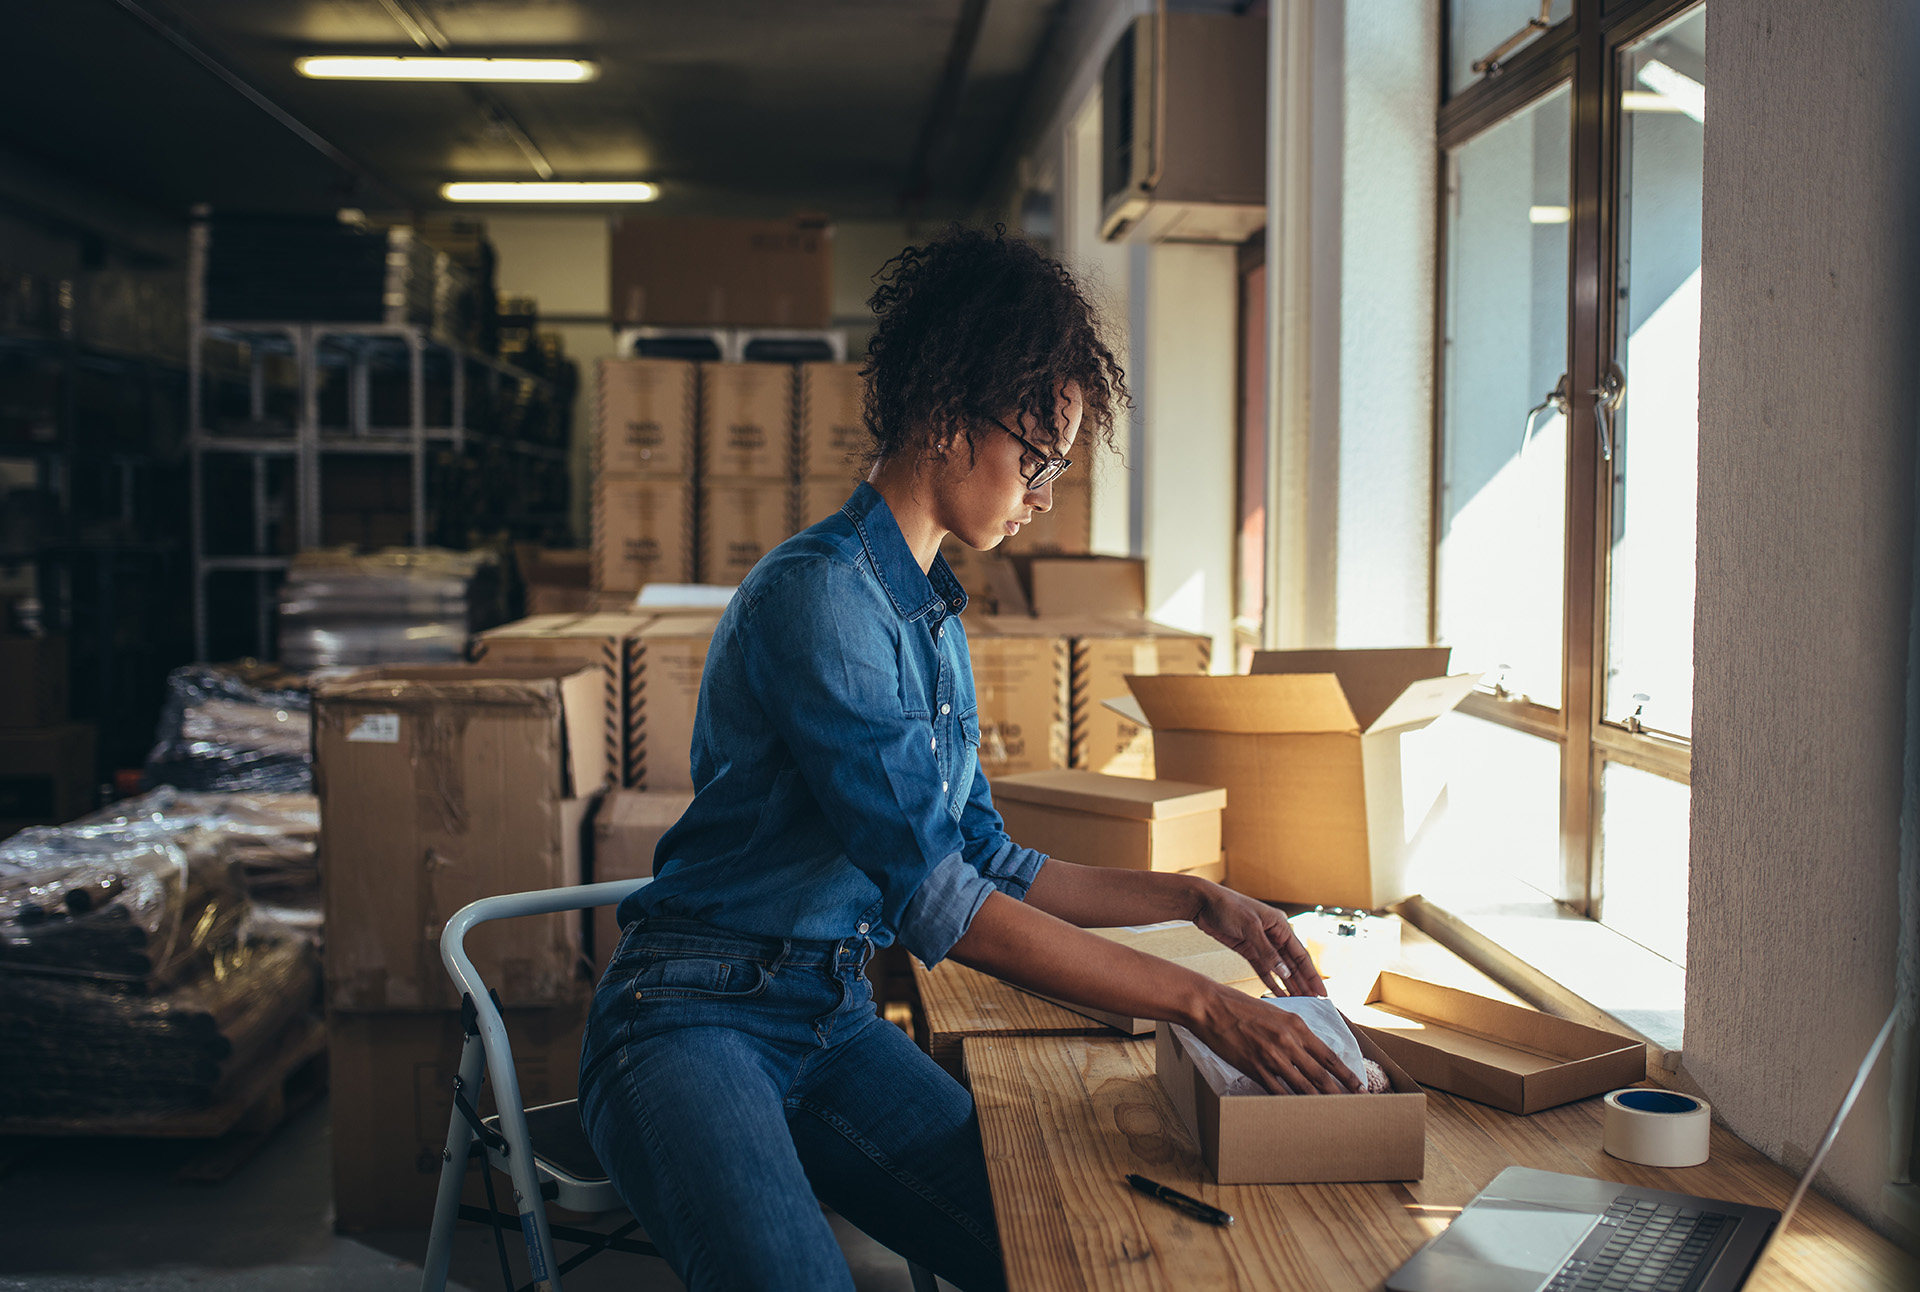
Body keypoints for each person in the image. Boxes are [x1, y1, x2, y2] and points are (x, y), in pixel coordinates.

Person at [578, 227, 1359, 1292]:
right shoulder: (824, 598)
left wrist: (1195, 897)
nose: (1043, 494)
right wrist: (1206, 1002)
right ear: (949, 420)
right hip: (691, 1015)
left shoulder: (933, 616)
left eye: (1058, 468)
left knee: (1060, 1246)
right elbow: (939, 904)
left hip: (830, 1016)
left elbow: (985, 856)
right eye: (1037, 460)